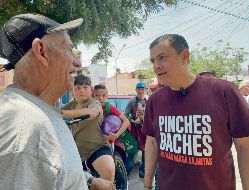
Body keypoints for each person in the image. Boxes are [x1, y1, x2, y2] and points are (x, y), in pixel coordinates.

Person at [0, 13, 115, 190]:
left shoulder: (36, 111)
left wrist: (89, 180)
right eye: (69, 50)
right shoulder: (27, 130)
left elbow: (48, 167)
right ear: (41, 51)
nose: (77, 62)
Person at [142, 34, 249, 190]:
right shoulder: (154, 101)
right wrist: (147, 185)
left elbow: (245, 146)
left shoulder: (223, 91)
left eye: (162, 57)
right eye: (153, 61)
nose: (156, 66)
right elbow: (152, 143)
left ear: (184, 56)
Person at [61, 74, 115, 182]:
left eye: (85, 87)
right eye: (78, 88)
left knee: (108, 168)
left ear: (91, 90)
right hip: (75, 151)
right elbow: (53, 111)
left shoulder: (94, 102)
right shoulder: (71, 105)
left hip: (97, 148)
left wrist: (61, 113)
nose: (82, 90)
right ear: (73, 91)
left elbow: (93, 112)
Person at [125, 82, 147, 178]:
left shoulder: (149, 101)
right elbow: (125, 115)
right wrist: (133, 121)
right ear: (136, 90)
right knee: (132, 156)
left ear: (146, 90)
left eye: (143, 89)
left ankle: (142, 173)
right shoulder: (132, 102)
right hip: (134, 132)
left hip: (145, 131)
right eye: (139, 89)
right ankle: (124, 177)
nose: (141, 91)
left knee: (146, 155)